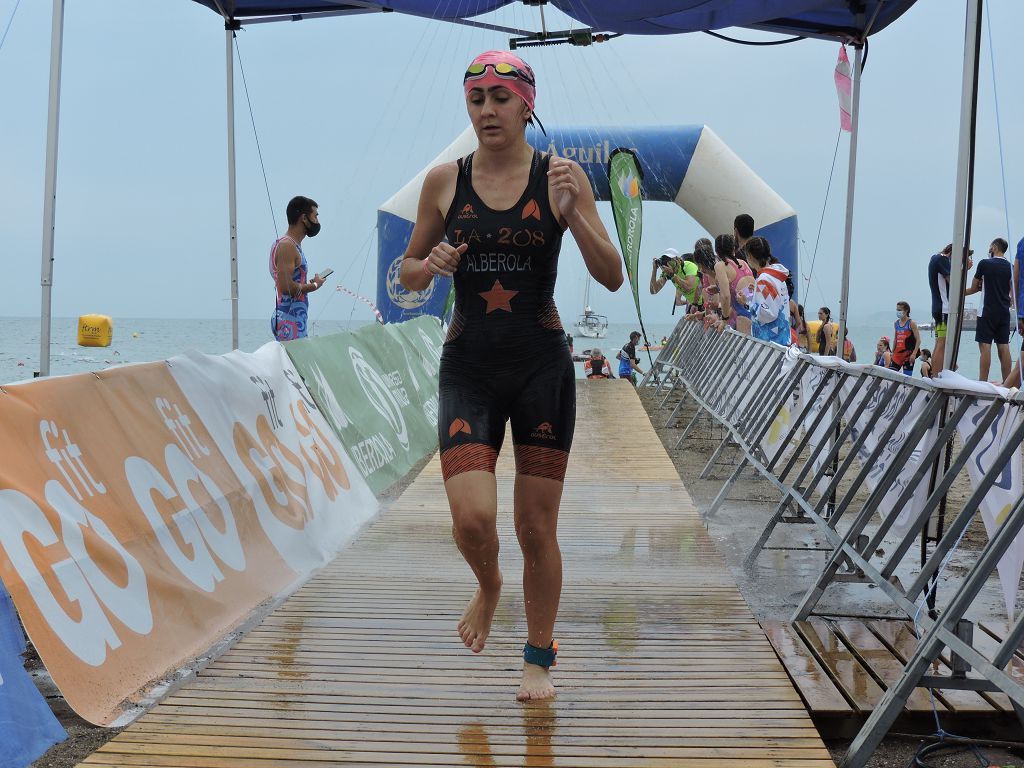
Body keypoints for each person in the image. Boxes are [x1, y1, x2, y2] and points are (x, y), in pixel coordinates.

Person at [398, 50, 622, 702]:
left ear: (527, 104)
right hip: (468, 364)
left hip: (540, 366)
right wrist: (430, 263)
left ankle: (538, 657)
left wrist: (574, 211)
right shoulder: (444, 182)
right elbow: (408, 276)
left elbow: (611, 275)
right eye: (476, 100)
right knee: (471, 521)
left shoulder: (562, 175)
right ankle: (489, 584)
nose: (487, 111)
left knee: (535, 528)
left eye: (499, 98)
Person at [270, 196, 325, 340]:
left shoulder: (293, 245)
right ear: (304, 218)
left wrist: (309, 284)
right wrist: (314, 285)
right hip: (289, 321)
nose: (317, 221)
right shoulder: (287, 246)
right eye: (315, 216)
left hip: (295, 319)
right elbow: (286, 287)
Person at [965, 238, 1013, 382]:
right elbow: (1013, 293)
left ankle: (982, 383)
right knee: (1004, 347)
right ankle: (1007, 384)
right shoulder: (1010, 266)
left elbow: (974, 288)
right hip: (1004, 312)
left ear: (993, 247)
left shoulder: (984, 263)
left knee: (985, 346)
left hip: (987, 311)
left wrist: (958, 293)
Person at [928, 243, 973, 375]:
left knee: (939, 343)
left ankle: (936, 375)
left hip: (939, 308)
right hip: (944, 309)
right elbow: (954, 283)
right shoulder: (942, 259)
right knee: (941, 343)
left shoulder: (935, 258)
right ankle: (936, 377)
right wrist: (965, 270)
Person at [743, 236, 791, 345]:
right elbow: (774, 303)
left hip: (771, 343)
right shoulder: (775, 275)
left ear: (749, 256)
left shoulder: (764, 279)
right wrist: (755, 292)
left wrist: (747, 302)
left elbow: (768, 313)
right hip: (781, 338)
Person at [889, 301, 921, 375]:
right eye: (897, 310)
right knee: (891, 375)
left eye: (900, 310)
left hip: (908, 355)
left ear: (906, 310)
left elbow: (918, 340)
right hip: (897, 355)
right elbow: (895, 339)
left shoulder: (911, 323)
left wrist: (914, 354)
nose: (898, 312)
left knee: (907, 378)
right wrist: (892, 352)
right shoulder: (896, 323)